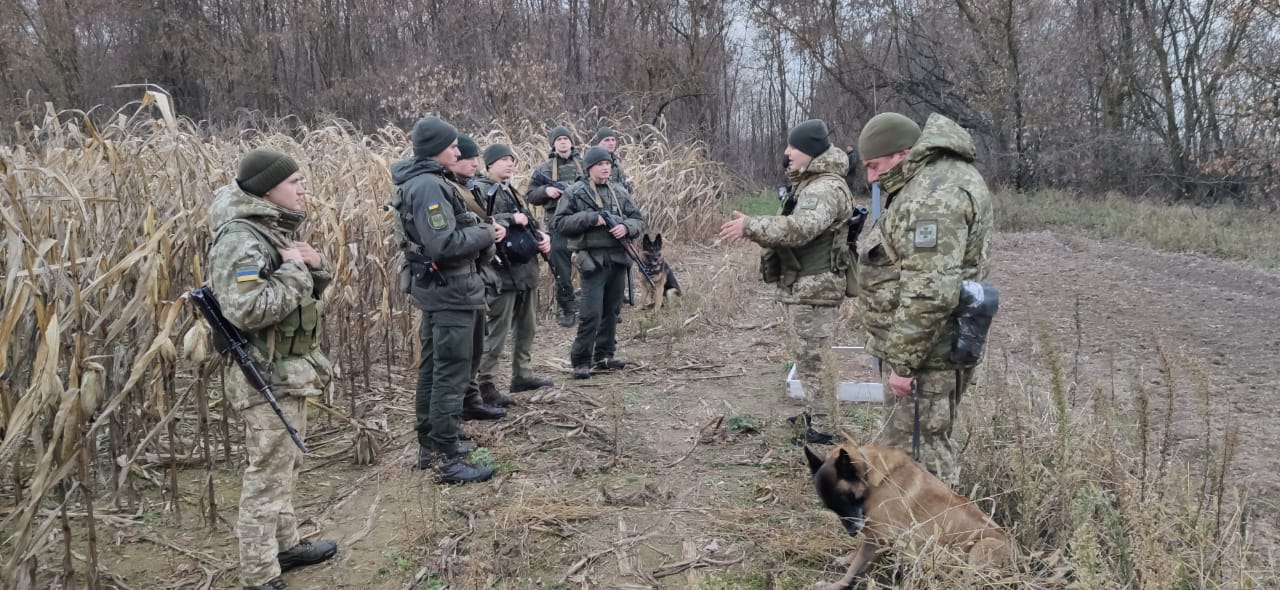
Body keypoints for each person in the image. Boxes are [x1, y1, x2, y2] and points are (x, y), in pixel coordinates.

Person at [207, 147, 338, 589]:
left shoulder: (271, 229)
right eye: (293, 182)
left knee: (285, 466)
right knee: (266, 476)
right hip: (263, 374)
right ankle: (259, 574)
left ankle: (285, 545)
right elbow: (247, 309)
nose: (302, 189)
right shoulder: (241, 239)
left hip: (287, 371)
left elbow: (296, 283)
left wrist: (315, 268)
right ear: (267, 190)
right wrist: (299, 272)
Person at [854, 112, 994, 486]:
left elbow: (930, 293)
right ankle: (919, 534)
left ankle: (930, 540)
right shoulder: (938, 179)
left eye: (874, 165)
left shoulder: (934, 195)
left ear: (901, 154)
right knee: (919, 447)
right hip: (932, 349)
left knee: (918, 458)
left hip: (928, 356)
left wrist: (902, 364)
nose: (871, 177)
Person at [719, 119, 855, 445]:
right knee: (806, 357)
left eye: (793, 147)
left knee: (814, 359)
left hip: (816, 287)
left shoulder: (824, 188)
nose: (787, 152)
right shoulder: (810, 183)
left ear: (809, 150)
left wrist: (752, 226)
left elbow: (799, 228)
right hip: (805, 285)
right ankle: (816, 413)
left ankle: (824, 429)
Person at [389, 117, 498, 483]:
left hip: (441, 290)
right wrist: (486, 232)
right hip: (451, 291)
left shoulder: (425, 182)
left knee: (434, 369)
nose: (458, 150)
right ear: (436, 148)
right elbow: (443, 244)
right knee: (449, 372)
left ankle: (430, 444)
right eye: (452, 146)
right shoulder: (429, 187)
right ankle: (448, 459)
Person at [551, 146, 644, 379]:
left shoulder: (619, 191)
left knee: (612, 310)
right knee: (590, 312)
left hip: (617, 258)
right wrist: (592, 218)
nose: (606, 168)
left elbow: (638, 219)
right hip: (592, 259)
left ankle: (604, 355)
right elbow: (560, 223)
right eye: (601, 164)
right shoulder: (575, 192)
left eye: (608, 164)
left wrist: (627, 227)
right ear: (590, 167)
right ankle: (581, 360)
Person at [474, 143, 556, 402]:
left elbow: (529, 221)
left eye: (512, 160)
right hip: (502, 272)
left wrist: (542, 236)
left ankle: (522, 374)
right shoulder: (481, 190)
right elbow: (483, 222)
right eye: (503, 160)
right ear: (489, 165)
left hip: (525, 269)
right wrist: (511, 219)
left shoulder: (512, 190)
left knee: (527, 327)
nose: (509, 164)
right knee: (497, 331)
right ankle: (484, 384)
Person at [442, 134, 509, 420]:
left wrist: (495, 230)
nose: (473, 163)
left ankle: (471, 400)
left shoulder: (472, 190)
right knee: (458, 352)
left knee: (475, 344)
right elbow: (449, 239)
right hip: (455, 279)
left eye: (474, 157)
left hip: (475, 273)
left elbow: (484, 224)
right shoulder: (445, 190)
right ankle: (456, 411)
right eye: (467, 157)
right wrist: (486, 233)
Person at [526, 125, 585, 327]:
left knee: (593, 262)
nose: (562, 142)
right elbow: (530, 195)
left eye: (565, 138)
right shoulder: (543, 169)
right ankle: (568, 308)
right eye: (558, 139)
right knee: (561, 266)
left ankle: (594, 305)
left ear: (571, 142)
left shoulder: (585, 164)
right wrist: (546, 191)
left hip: (584, 221)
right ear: (553, 144)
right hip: (557, 223)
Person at [590, 126, 633, 191]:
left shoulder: (616, 162)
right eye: (607, 140)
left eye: (613, 140)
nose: (611, 143)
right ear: (598, 143)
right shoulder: (591, 162)